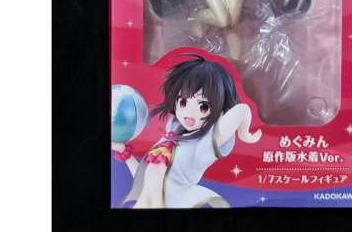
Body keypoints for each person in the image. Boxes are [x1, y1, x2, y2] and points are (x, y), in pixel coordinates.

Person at [112, 55, 262, 208]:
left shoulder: (203, 146)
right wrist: (125, 153)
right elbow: (146, 180)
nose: (190, 112)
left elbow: (241, 110)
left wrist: (244, 133)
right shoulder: (171, 137)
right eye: (183, 102)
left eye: (203, 106)